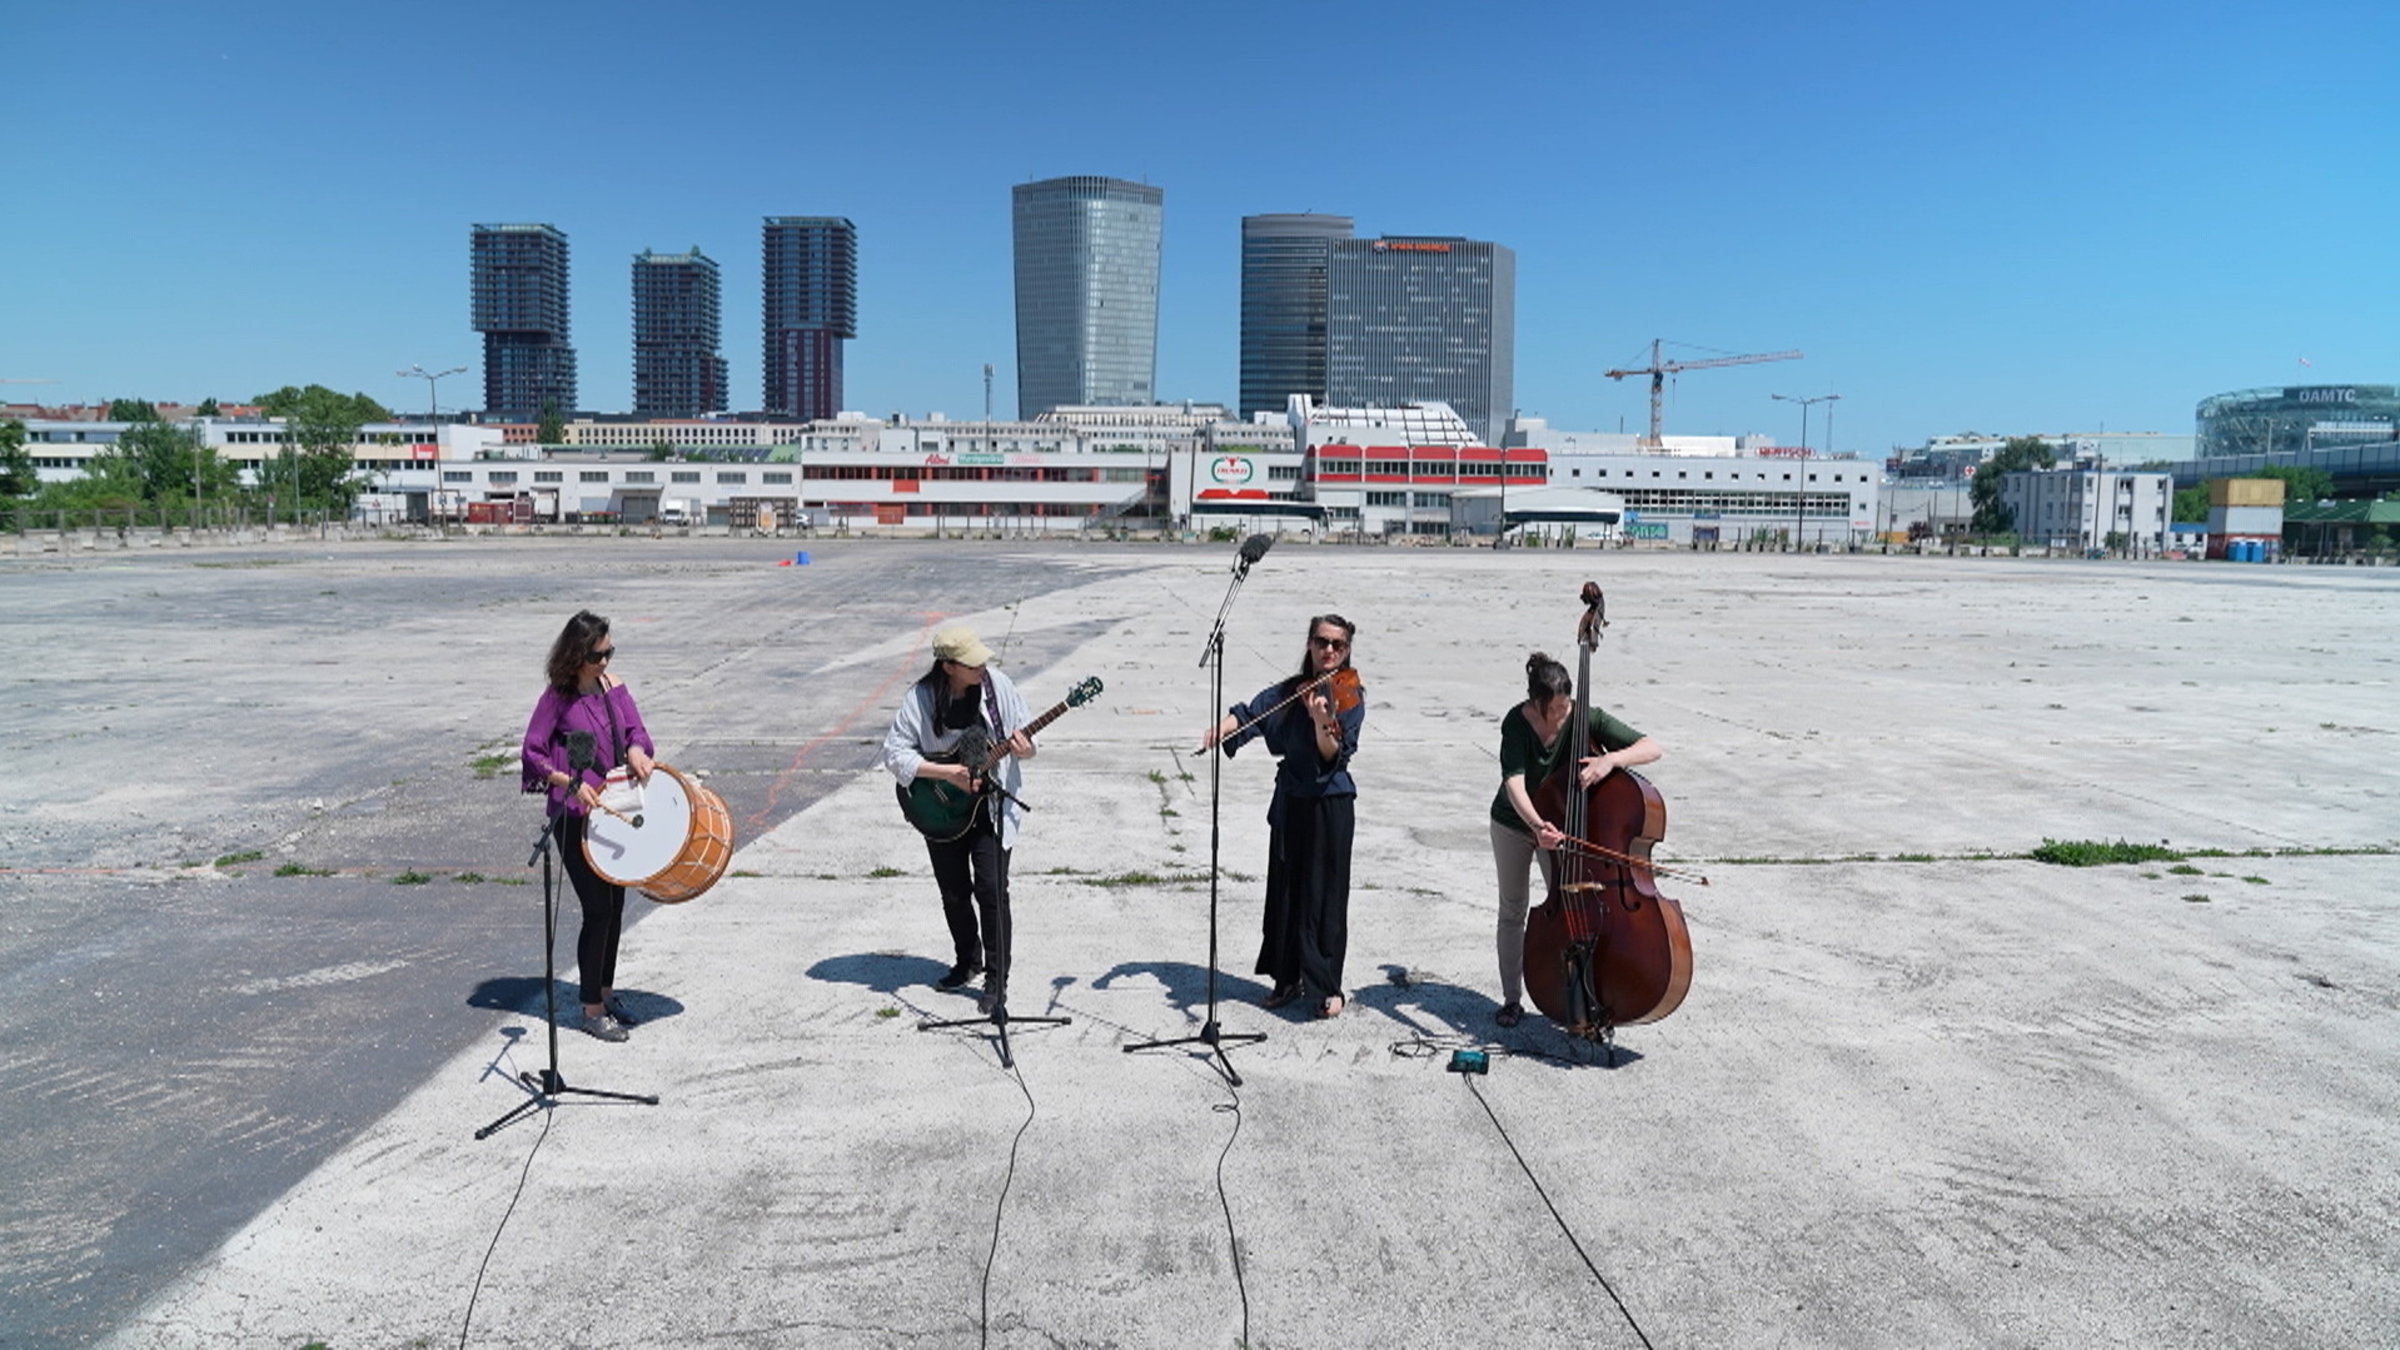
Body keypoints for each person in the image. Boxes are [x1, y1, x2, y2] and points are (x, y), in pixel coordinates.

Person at [1200, 614, 1365, 1020]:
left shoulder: (1348, 694)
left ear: (1346, 652)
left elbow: (1331, 756)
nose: (1329, 651)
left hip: (1330, 805)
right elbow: (1250, 712)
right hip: (1291, 798)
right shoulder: (1292, 690)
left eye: (1337, 645)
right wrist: (1220, 729)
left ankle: (1327, 986)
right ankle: (1287, 978)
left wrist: (1320, 721)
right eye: (1322, 642)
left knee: (1325, 898)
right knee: (1286, 893)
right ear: (1309, 644)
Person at [1489, 651, 1662, 1028]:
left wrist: (1609, 761)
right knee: (1514, 909)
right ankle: (1512, 1000)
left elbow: (1652, 747)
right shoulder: (1516, 724)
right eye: (1557, 709)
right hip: (1515, 823)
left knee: (1572, 910)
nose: (1565, 714)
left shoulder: (1584, 717)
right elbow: (1514, 783)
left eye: (1568, 706)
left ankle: (1577, 994)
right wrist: (1537, 826)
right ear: (1536, 704)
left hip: (1563, 829)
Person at [883, 625, 1037, 1014]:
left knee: (991, 889)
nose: (981, 667)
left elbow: (1028, 744)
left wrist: (1025, 749)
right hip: (941, 808)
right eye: (972, 664)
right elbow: (894, 753)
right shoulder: (919, 698)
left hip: (989, 808)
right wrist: (946, 774)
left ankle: (997, 979)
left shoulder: (997, 686)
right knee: (953, 891)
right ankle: (967, 960)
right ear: (948, 666)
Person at [521, 610, 658, 1043]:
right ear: (577, 655)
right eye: (599, 655)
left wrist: (637, 749)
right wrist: (570, 782)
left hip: (612, 810)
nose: (606, 661)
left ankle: (606, 990)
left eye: (610, 652)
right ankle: (591, 1010)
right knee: (597, 909)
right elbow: (532, 752)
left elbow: (637, 731)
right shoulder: (557, 699)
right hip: (574, 818)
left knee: (616, 907)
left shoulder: (613, 688)